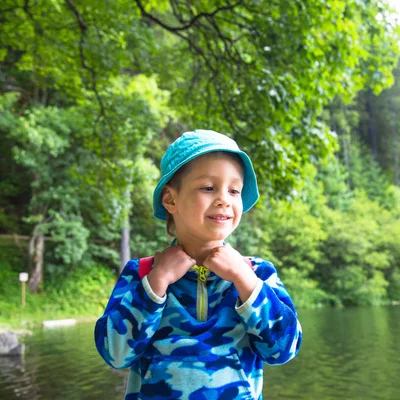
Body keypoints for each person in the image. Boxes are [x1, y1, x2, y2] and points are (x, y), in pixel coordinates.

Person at [94, 129, 302, 400]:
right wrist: (157, 283)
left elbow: (283, 350)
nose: (224, 199)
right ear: (170, 199)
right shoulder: (142, 273)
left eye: (234, 190)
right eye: (208, 187)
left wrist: (244, 281)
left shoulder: (257, 274)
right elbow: (116, 354)